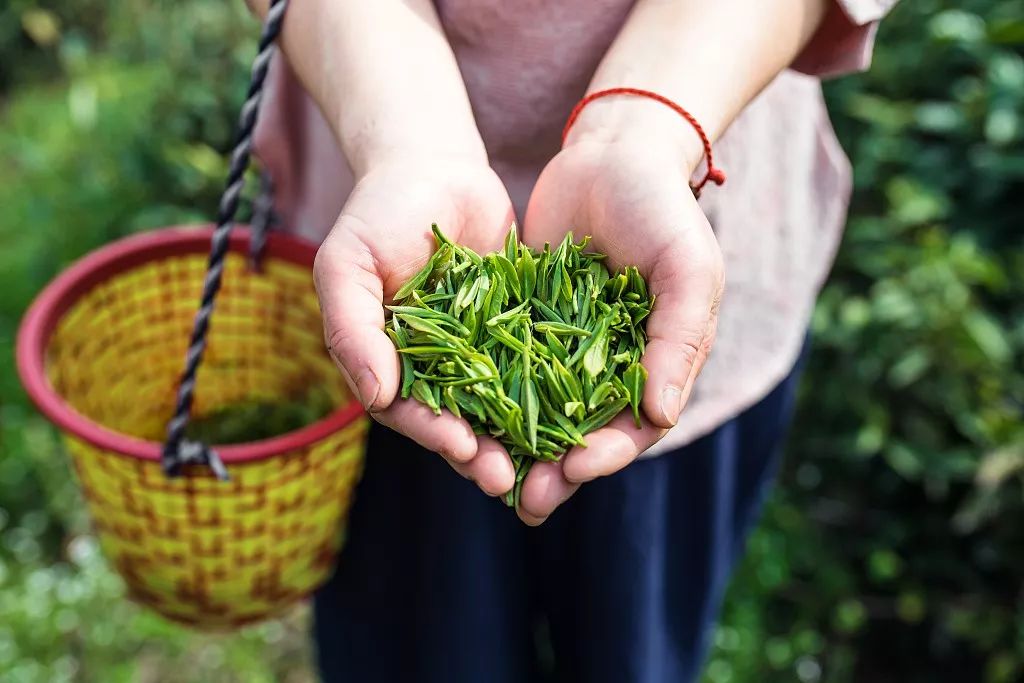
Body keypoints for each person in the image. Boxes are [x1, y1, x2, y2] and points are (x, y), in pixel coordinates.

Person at [245, 0, 893, 680]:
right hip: (389, 241)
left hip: (694, 177)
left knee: (632, 652)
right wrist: (408, 142)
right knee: (415, 642)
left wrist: (641, 133)